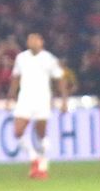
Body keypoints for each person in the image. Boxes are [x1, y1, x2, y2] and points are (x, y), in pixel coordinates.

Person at [6, 33, 67, 179]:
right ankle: (34, 158)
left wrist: (64, 100)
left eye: (35, 40)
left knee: (41, 135)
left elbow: (59, 79)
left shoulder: (49, 58)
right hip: (25, 99)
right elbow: (16, 77)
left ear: (41, 42)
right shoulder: (21, 58)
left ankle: (43, 165)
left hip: (42, 100)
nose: (31, 42)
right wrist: (11, 96)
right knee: (18, 131)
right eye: (29, 40)